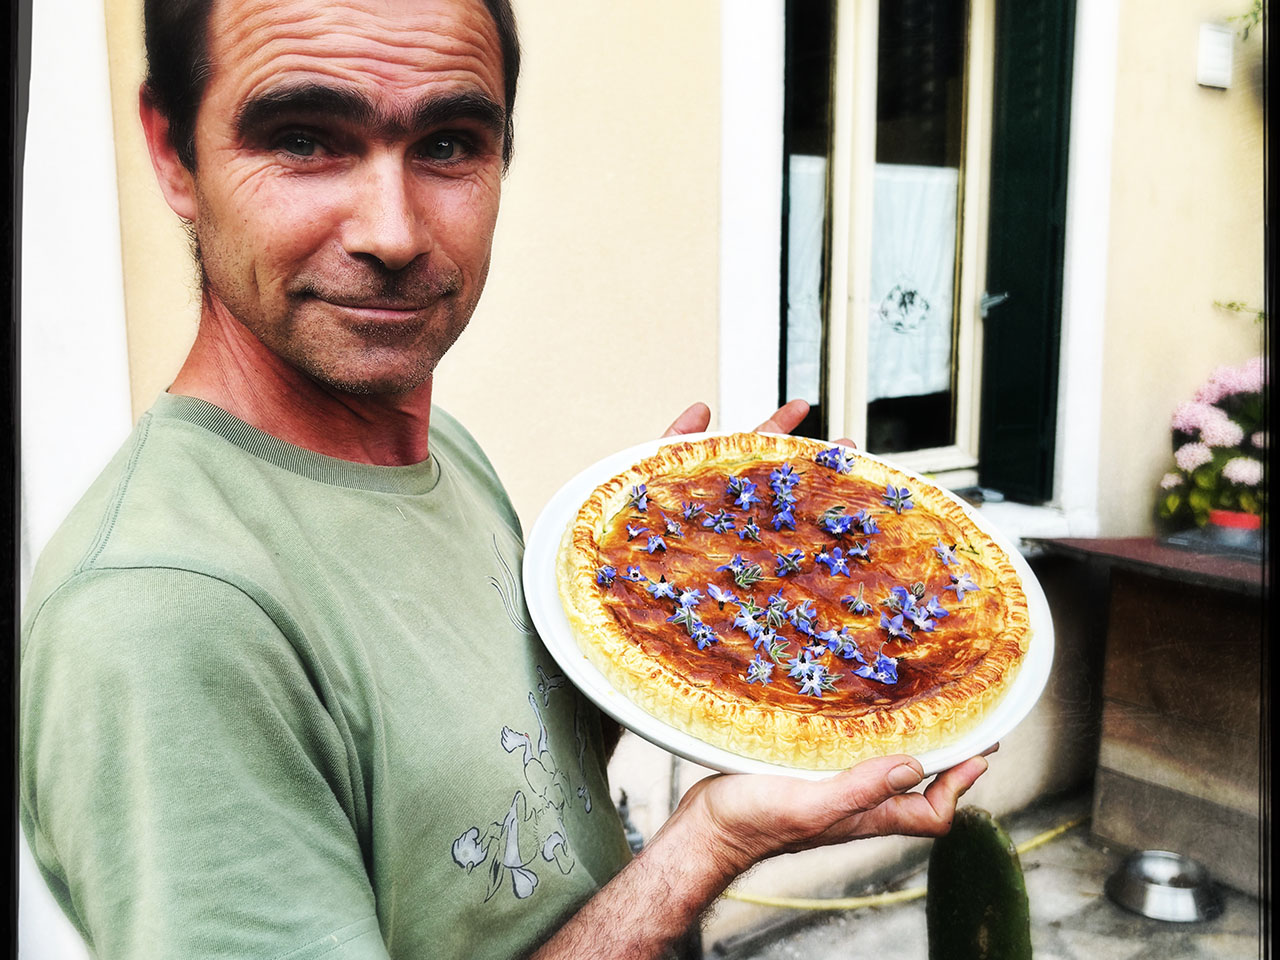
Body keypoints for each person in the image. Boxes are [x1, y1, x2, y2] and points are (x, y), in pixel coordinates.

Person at [19, 0, 992, 957]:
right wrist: (707, 846)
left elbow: (504, 792)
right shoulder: (160, 616)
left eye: (446, 144)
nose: (391, 232)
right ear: (172, 152)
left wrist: (681, 611)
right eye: (306, 138)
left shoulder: (442, 454)